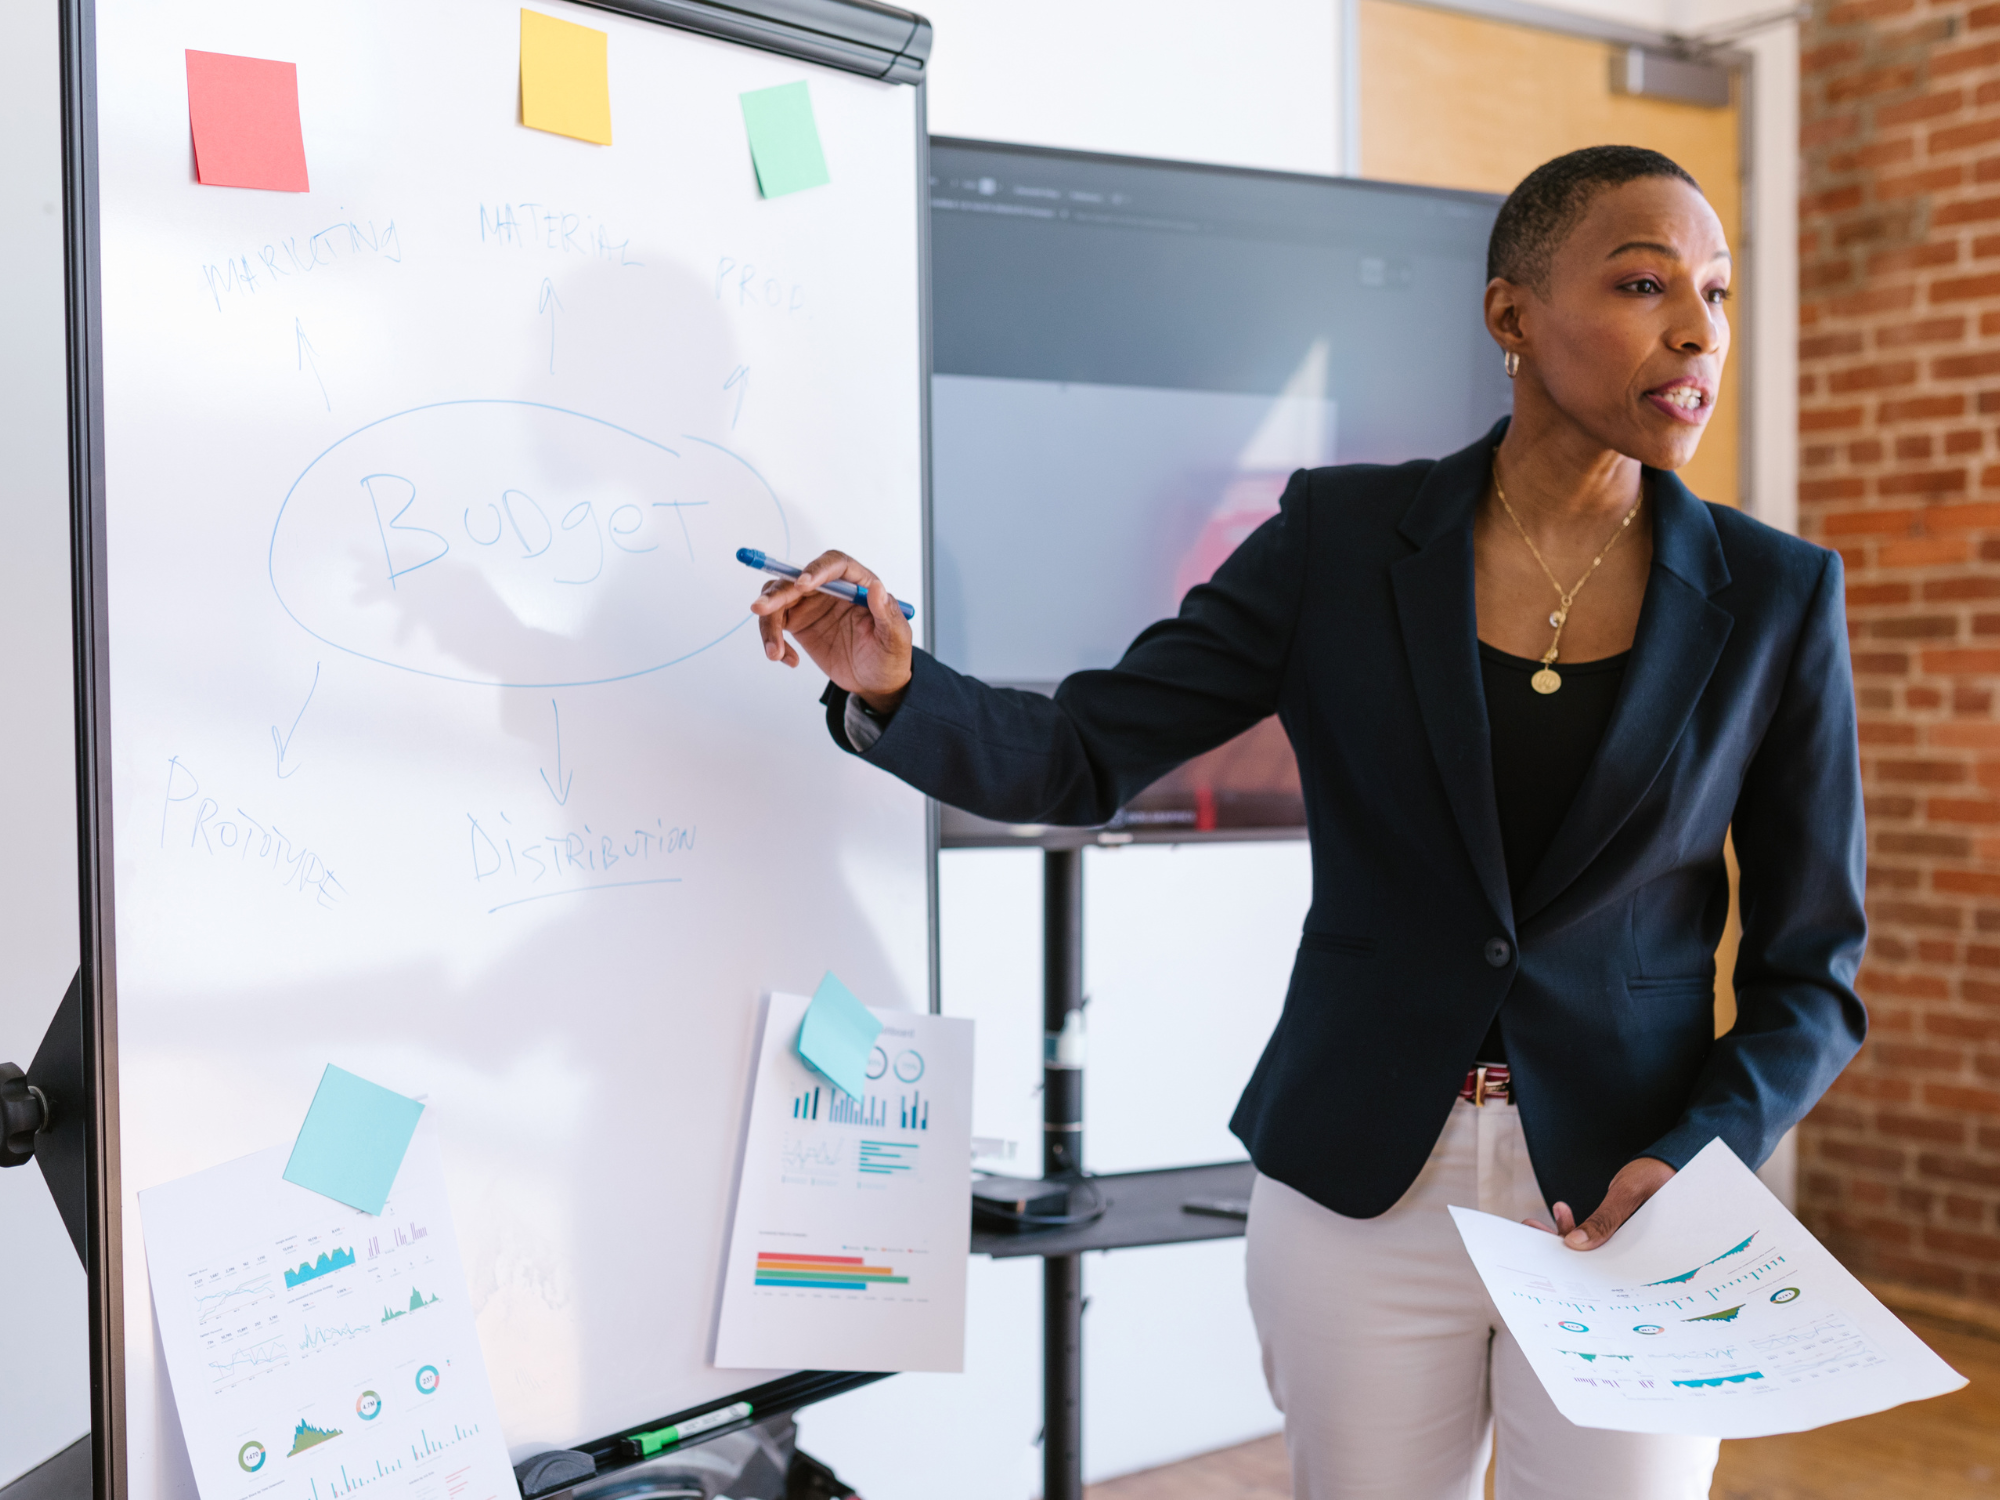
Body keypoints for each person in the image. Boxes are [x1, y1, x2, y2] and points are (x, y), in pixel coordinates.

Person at [748, 145, 1866, 1500]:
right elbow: (1085, 753)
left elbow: (1814, 972)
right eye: (1644, 284)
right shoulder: (1342, 539)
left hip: (1635, 1200)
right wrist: (897, 687)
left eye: (1717, 292)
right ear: (1511, 314)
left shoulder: (1778, 596)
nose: (1698, 330)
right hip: (1358, 1185)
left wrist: (1698, 1152)